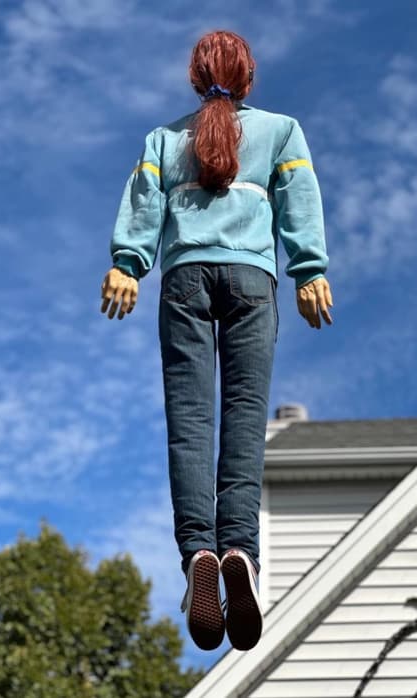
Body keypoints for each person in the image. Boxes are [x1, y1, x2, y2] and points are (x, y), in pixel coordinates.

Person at [99, 30, 333, 652]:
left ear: (195, 77)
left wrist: (127, 264)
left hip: (184, 283)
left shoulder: (163, 140)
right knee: (245, 420)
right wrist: (310, 271)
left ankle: (198, 552)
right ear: (249, 76)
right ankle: (240, 552)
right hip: (253, 282)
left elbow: (144, 211)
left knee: (191, 420)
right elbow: (299, 203)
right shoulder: (282, 132)